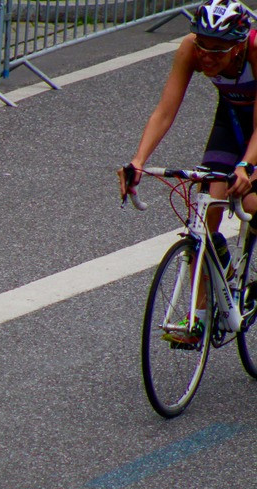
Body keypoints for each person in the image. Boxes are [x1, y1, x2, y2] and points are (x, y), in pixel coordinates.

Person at [119, 0, 257, 344]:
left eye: (218, 50)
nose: (207, 56)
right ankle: (197, 317)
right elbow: (166, 109)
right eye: (203, 45)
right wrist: (138, 160)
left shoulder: (255, 50)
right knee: (207, 205)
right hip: (232, 120)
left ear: (238, 45)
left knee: (251, 202)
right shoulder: (190, 50)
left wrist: (245, 166)